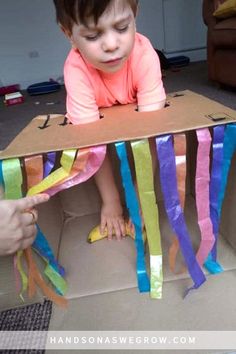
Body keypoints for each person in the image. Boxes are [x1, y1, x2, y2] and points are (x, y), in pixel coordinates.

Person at [53, 0, 166, 240]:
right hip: (96, 121)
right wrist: (111, 201)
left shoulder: (144, 54)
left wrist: (141, 197)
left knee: (154, 131)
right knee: (88, 136)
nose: (112, 45)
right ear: (68, 34)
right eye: (93, 36)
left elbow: (153, 132)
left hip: (140, 115)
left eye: (123, 28)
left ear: (134, 15)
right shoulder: (75, 69)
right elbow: (91, 141)